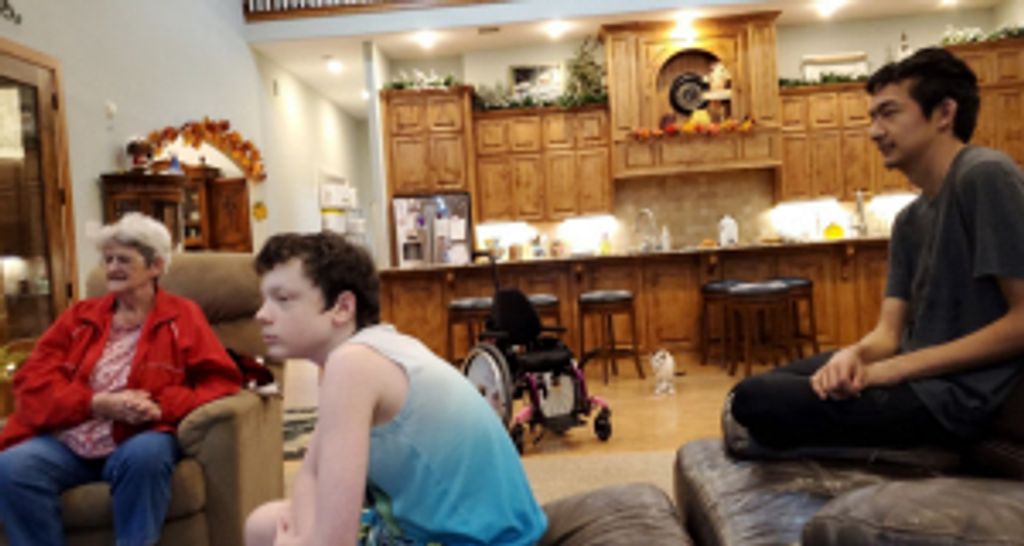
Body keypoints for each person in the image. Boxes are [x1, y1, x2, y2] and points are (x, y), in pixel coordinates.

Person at [730, 47, 1024, 449]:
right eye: (873, 117)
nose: (874, 132)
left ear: (944, 113)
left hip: (955, 398)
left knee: (756, 401)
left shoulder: (985, 175)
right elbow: (888, 334)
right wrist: (855, 356)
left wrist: (889, 372)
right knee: (753, 390)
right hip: (915, 376)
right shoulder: (909, 220)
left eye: (889, 113)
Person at [245, 232, 546, 546]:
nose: (261, 315)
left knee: (268, 530)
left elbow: (336, 540)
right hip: (434, 528)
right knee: (264, 523)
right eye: (265, 300)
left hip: (483, 541)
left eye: (283, 299)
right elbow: (311, 474)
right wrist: (303, 535)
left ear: (342, 307)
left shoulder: (353, 364)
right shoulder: (369, 352)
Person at [0, 213, 242, 546]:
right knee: (12, 467)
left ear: (155, 266)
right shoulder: (79, 317)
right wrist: (95, 404)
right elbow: (31, 380)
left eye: (123, 260)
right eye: (108, 259)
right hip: (70, 438)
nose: (112, 268)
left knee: (147, 456)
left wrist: (161, 406)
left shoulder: (182, 315)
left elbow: (220, 380)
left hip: (137, 435)